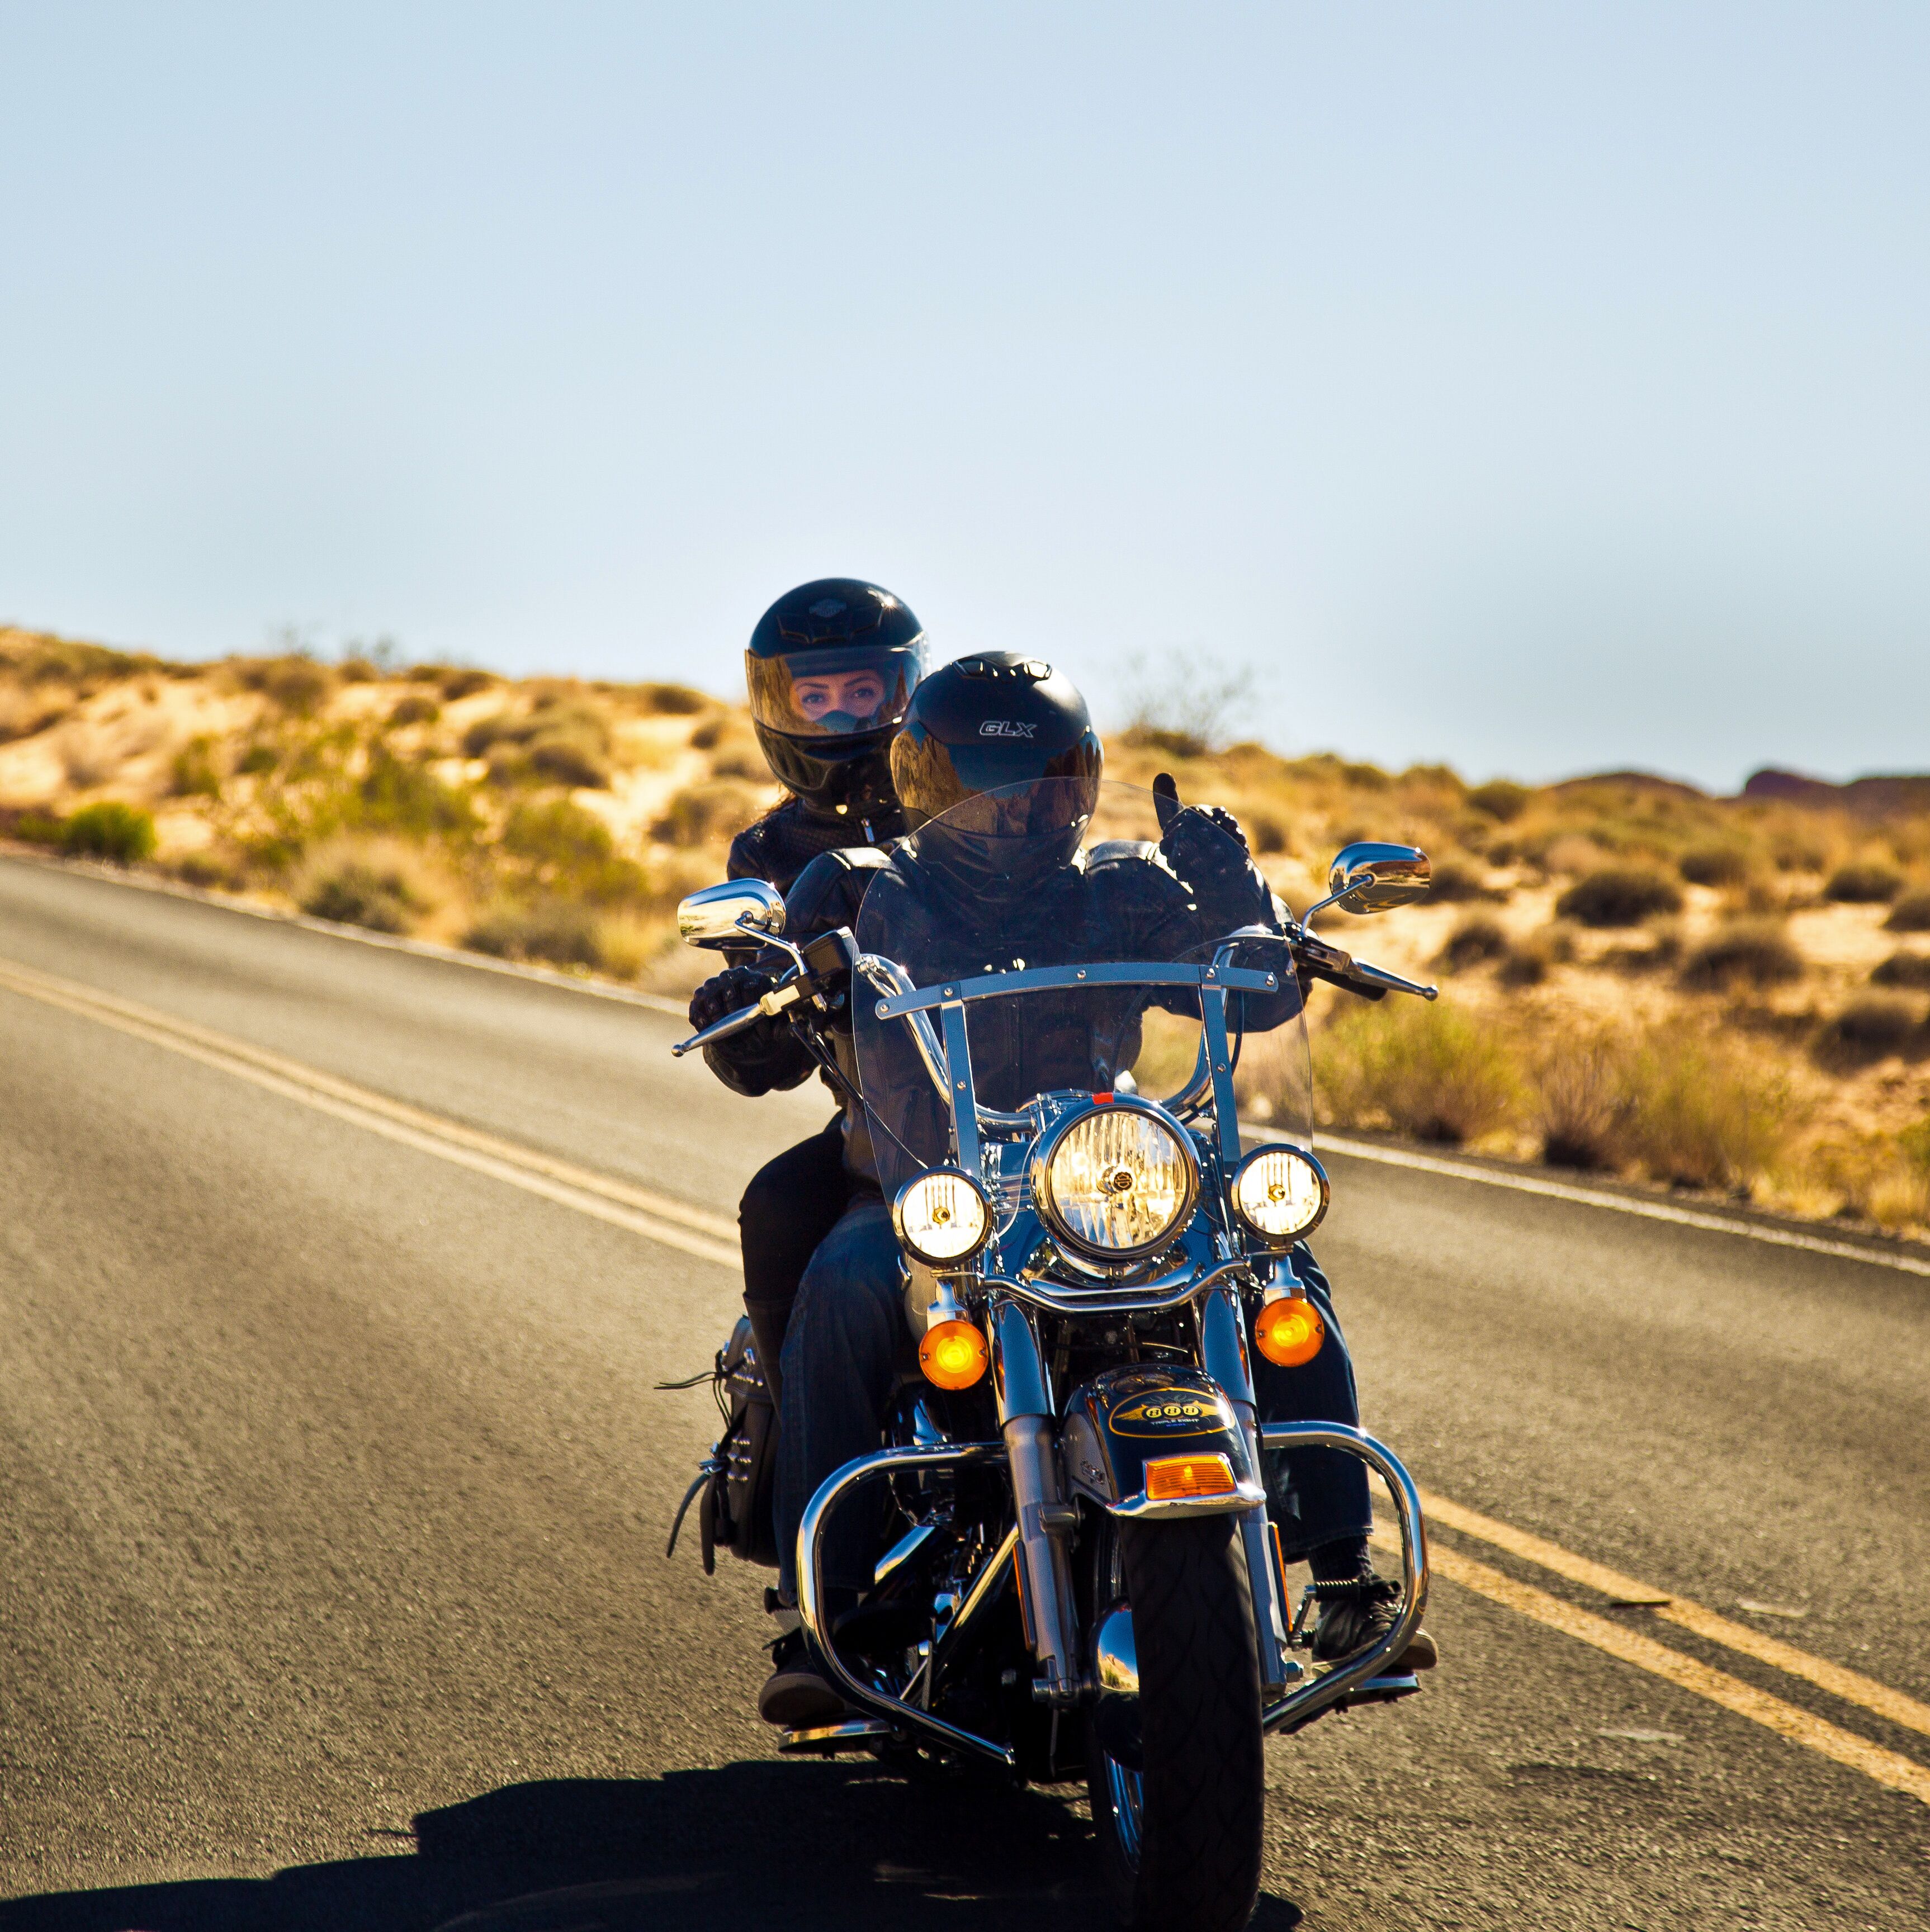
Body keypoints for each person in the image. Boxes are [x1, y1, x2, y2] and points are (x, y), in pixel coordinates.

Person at [699, 652, 1436, 1726]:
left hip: (1107, 1181)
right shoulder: (865, 888)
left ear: (1082, 784)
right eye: (982, 795)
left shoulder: (1125, 887)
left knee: (1277, 1268)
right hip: (934, 1187)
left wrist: (1230, 890)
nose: (1013, 820)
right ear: (926, 785)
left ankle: (1342, 1575)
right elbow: (759, 1039)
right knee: (850, 1281)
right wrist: (761, 984)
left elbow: (1266, 996)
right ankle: (835, 1617)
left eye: (1041, 791)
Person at [687, 579, 926, 1399]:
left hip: (1045, 1114)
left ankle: (1321, 1524)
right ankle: (807, 1471)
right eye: (813, 696)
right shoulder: (770, 851)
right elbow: (765, 1071)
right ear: (775, 705)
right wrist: (742, 1011)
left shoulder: (971, 807)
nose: (838, 717)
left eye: (861, 692)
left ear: (903, 691)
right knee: (781, 1208)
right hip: (891, 1129)